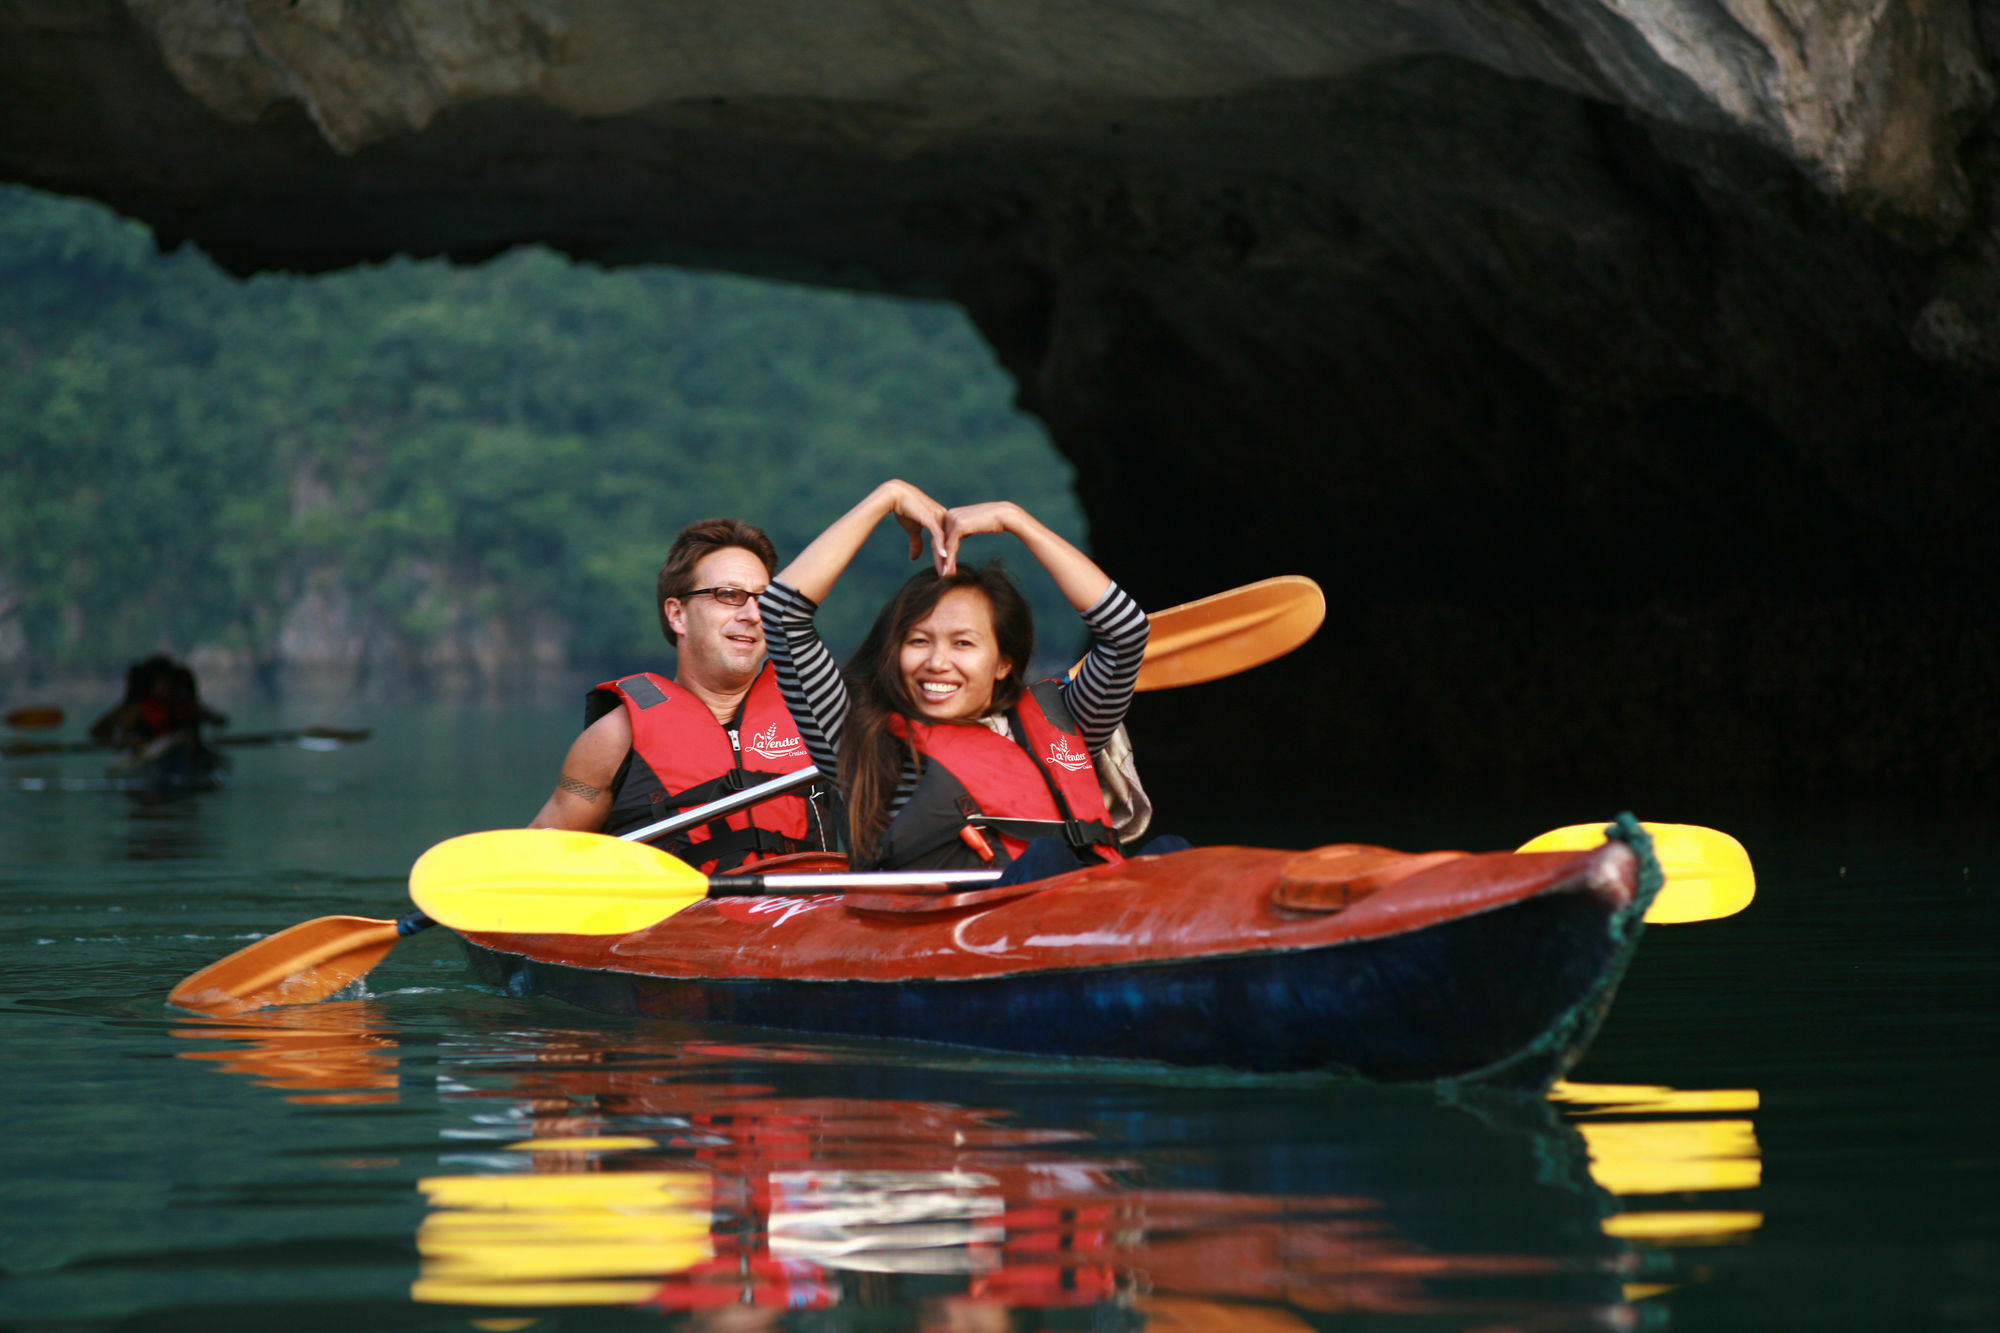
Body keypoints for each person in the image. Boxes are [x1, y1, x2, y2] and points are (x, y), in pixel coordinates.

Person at [758, 479, 1186, 881]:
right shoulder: (854, 733)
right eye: (918, 640)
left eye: (963, 644)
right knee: (1047, 859)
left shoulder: (1068, 719)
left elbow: (1126, 632)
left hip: (1088, 916)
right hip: (954, 932)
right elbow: (781, 613)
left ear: (1004, 662)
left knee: (1172, 852)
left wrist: (1016, 520)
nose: (938, 662)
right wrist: (884, 498)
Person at [528, 517, 834, 873]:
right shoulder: (612, 739)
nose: (753, 615)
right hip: (680, 923)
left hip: (803, 917)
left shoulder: (818, 715)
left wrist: (884, 500)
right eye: (729, 596)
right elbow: (537, 864)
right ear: (677, 615)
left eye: (765, 600)